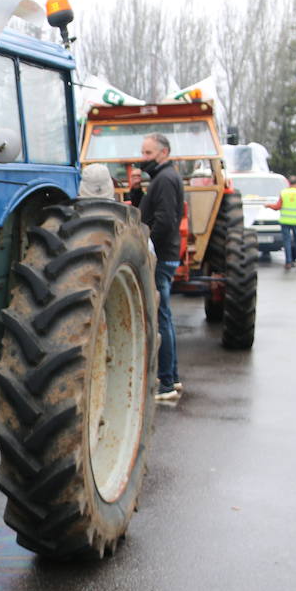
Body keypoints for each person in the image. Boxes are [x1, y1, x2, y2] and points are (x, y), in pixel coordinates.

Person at [129, 133, 183, 401]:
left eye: (148, 153)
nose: (143, 158)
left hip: (161, 256)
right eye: (143, 152)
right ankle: (171, 376)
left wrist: (145, 246)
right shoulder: (161, 179)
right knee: (165, 316)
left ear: (164, 153)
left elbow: (164, 221)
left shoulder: (166, 180)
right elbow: (144, 213)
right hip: (164, 253)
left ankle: (166, 382)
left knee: (161, 317)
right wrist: (136, 190)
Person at [269, 175, 296, 269]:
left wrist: (268, 206)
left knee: (286, 242)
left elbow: (277, 206)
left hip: (285, 221)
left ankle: (288, 262)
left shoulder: (284, 192)